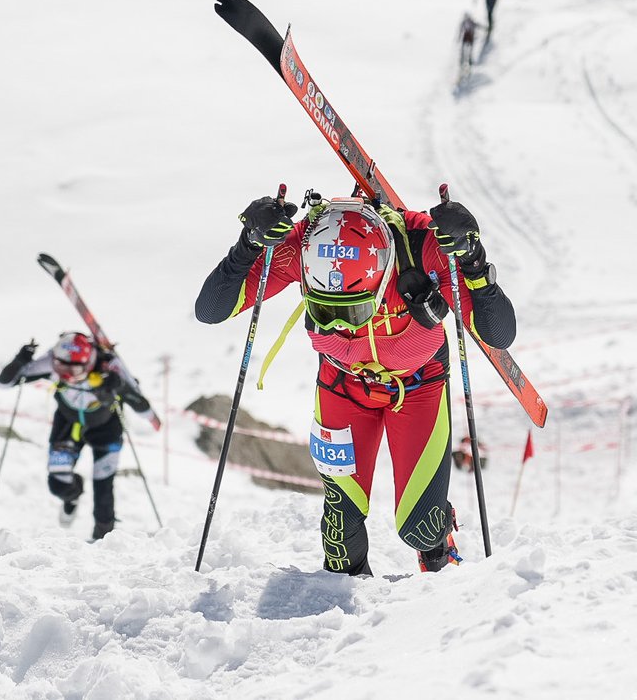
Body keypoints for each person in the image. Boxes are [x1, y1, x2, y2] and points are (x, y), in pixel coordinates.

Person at [195, 191, 516, 574]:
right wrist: (247, 245)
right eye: (324, 311)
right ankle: (357, 618)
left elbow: (498, 333)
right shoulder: (305, 246)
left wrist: (472, 260)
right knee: (339, 540)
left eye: (356, 310)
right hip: (343, 386)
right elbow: (210, 309)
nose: (341, 325)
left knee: (422, 527)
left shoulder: (421, 248)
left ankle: (437, 547)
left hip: (417, 386)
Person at [0, 331, 152, 540]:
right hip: (68, 423)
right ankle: (72, 495)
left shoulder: (109, 364)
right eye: (61, 367)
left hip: (105, 427)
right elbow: (4, 383)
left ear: (88, 362)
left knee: (103, 487)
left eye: (76, 368)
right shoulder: (54, 360)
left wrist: (119, 386)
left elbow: (141, 402)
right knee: (58, 484)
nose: (68, 373)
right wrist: (20, 359)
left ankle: (104, 539)